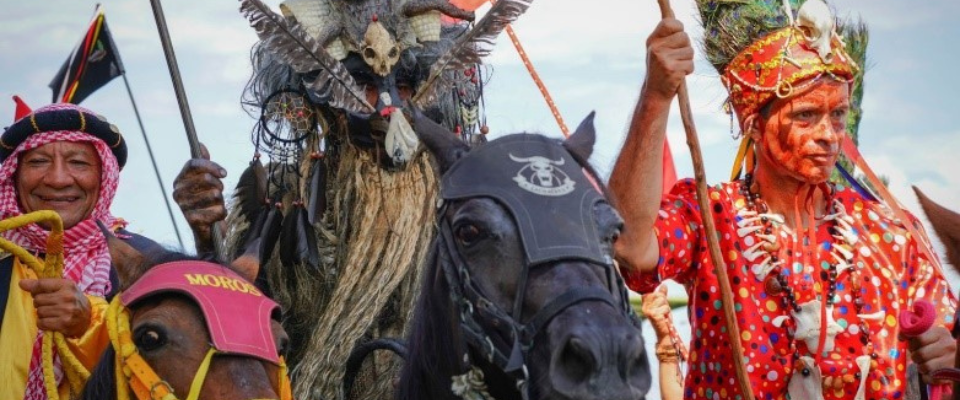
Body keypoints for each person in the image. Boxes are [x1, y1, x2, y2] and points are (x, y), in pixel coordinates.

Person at [609, 1, 957, 399]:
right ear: (752, 123)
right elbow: (631, 247)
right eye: (806, 115)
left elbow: (945, 330)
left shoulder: (893, 232)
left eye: (839, 114)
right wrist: (656, 97)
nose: (829, 134)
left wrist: (945, 348)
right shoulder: (709, 215)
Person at [0, 99, 165, 399]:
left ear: (104, 177)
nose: (58, 179)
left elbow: (166, 375)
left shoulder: (142, 262)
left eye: (78, 162)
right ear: (15, 174)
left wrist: (89, 324)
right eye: (38, 162)